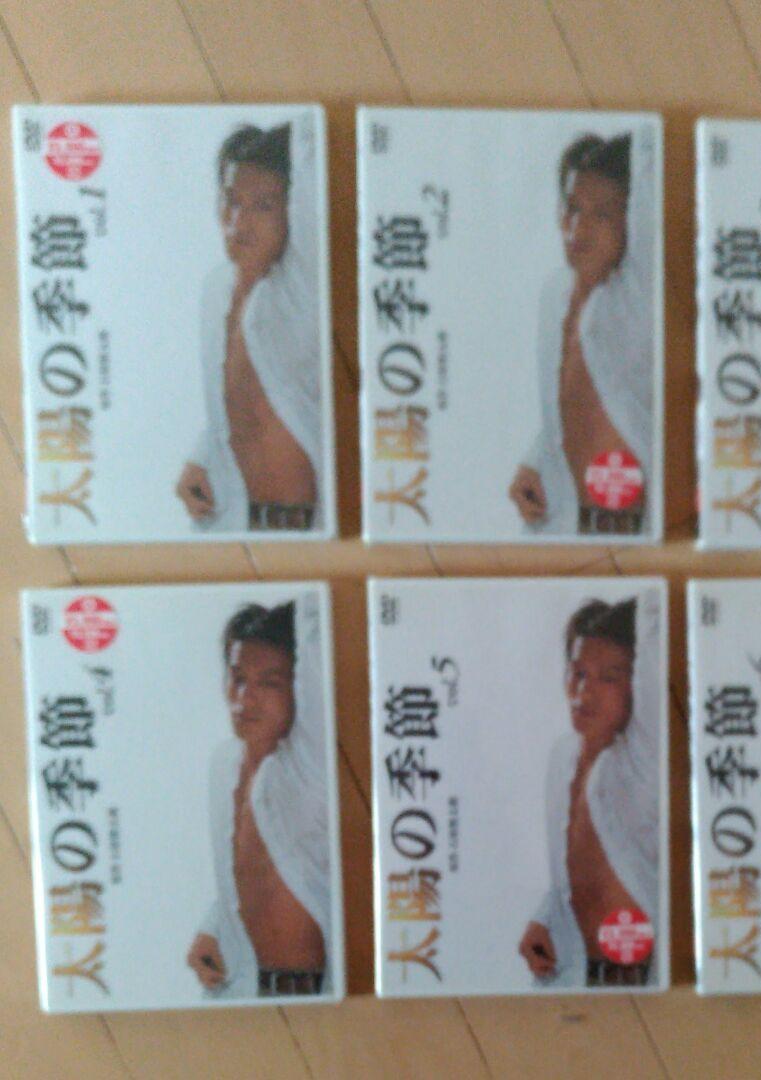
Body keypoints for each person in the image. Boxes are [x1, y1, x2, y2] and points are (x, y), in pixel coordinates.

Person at [176, 117, 324, 533]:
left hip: (308, 526)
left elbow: (312, 142)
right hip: (233, 522)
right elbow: (234, 402)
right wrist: (201, 459)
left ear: (292, 212)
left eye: (263, 206)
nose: (239, 222)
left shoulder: (302, 288)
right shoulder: (215, 290)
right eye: (231, 201)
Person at [508, 130, 655, 537]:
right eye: (572, 208)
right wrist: (536, 461)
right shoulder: (554, 293)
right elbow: (574, 402)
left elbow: (651, 156)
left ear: (632, 221)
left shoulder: (638, 298)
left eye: (602, 215)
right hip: (560, 528)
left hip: (637, 535)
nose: (579, 228)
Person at [186, 595, 333, 998]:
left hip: (318, 994)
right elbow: (246, 868)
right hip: (242, 990)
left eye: (269, 683)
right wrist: (215, 928)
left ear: (299, 689)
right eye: (237, 678)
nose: (245, 699)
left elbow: (317, 626)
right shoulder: (224, 765)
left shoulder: (308, 768)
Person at [518, 595, 662, 987]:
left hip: (642, 979)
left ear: (636, 686)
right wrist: (545, 920)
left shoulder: (643, 760)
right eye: (578, 672)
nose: (585, 690)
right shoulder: (562, 756)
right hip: (571, 975)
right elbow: (573, 872)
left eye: (609, 678)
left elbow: (655, 618)